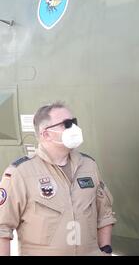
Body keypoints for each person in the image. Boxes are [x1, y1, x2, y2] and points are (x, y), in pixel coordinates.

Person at [0, 102, 116, 255]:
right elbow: (3, 228)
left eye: (74, 123)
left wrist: (105, 250)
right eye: (66, 124)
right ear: (46, 134)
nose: (74, 128)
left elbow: (105, 214)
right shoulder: (20, 173)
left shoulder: (89, 166)